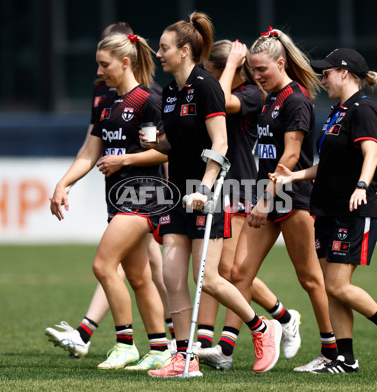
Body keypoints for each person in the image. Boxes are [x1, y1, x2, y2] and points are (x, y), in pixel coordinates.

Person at [143, 12, 282, 378]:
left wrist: (205, 188)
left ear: (185, 50)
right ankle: (184, 358)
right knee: (173, 277)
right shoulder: (170, 92)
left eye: (164, 47)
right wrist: (156, 142)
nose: (159, 53)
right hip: (177, 193)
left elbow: (219, 141)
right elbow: (174, 142)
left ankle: (262, 329)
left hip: (207, 192)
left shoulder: (206, 86)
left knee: (208, 279)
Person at [269, 48, 377, 373]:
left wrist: (362, 186)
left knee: (336, 285)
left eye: (327, 72)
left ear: (345, 73)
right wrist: (296, 175)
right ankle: (344, 358)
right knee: (332, 287)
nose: (322, 78)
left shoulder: (362, 109)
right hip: (327, 210)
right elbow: (327, 166)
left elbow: (370, 155)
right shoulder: (338, 111)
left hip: (354, 209)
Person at [45, 22, 176, 361]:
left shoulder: (147, 101)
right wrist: (63, 183)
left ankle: (125, 345)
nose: (99, 71)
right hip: (119, 197)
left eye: (105, 64)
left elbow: (162, 150)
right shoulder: (106, 103)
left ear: (126, 62)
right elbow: (89, 153)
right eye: (98, 64)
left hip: (144, 194)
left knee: (104, 266)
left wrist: (125, 159)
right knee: (138, 276)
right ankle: (160, 349)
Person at [217, 27, 339, 373]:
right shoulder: (269, 97)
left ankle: (332, 352)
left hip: (292, 197)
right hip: (268, 196)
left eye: (262, 70)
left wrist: (265, 199)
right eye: (252, 70)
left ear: (281, 63)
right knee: (239, 272)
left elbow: (292, 153)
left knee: (310, 278)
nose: (256, 76)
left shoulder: (296, 99)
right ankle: (225, 351)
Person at [193, 39, 302, 370]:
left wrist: (227, 68)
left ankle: (279, 319)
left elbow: (221, 101)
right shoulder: (244, 91)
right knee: (219, 271)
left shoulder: (252, 95)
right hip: (221, 187)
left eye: (212, 70)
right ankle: (211, 343)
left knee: (227, 270)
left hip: (241, 186)